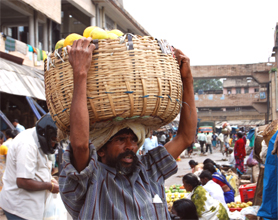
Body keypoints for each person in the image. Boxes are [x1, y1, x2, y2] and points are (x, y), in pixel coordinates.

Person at [58, 38, 197, 219]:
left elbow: (185, 138)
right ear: (100, 150)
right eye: (120, 139)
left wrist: (187, 79)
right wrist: (80, 73)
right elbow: (80, 145)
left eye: (133, 140)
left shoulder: (149, 169)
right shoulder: (93, 179)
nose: (130, 146)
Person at [0, 114, 60, 220]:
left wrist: (50, 179)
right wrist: (49, 186)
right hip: (20, 209)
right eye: (53, 141)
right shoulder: (27, 145)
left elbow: (37, 167)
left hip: (29, 207)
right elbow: (23, 181)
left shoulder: (36, 138)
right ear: (45, 134)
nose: (54, 145)